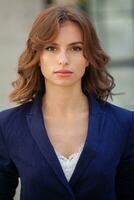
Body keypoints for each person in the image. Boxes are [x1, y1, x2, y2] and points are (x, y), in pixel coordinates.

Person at [0, 4, 134, 200]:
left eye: (76, 48)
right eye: (51, 48)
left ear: (89, 57)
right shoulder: (7, 125)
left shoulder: (125, 124)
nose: (63, 59)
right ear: (38, 57)